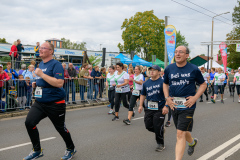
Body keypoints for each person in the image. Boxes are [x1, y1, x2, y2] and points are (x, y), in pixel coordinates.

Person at [23, 42, 76, 160]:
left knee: (60, 128)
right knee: (29, 123)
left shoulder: (56, 64)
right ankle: (37, 150)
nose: (40, 50)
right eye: (40, 48)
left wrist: (41, 75)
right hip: (40, 102)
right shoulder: (41, 64)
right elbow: (45, 80)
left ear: (51, 51)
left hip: (55, 103)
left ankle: (70, 148)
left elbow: (59, 83)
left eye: (43, 48)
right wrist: (36, 83)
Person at [163, 46, 207, 160]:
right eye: (176, 52)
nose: (177, 54)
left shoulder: (193, 69)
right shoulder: (169, 68)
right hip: (174, 104)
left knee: (180, 133)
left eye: (181, 52)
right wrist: (167, 98)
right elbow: (165, 84)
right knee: (182, 130)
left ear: (187, 55)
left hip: (188, 105)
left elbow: (203, 84)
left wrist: (195, 98)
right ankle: (192, 142)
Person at [138, 65, 168, 151]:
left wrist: (166, 106)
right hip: (149, 107)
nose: (151, 72)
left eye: (154, 70)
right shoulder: (146, 83)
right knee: (148, 126)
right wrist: (140, 105)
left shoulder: (163, 82)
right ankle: (161, 130)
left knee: (157, 126)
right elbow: (143, 94)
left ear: (159, 72)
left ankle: (160, 144)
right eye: (150, 70)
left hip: (160, 107)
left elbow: (168, 96)